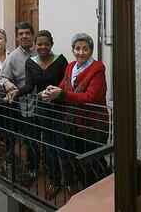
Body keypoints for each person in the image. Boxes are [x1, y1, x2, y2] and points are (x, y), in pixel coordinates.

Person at [42, 33, 110, 198]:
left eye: (85, 48)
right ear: (73, 50)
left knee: (94, 160)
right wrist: (50, 91)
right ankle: (90, 192)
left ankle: (103, 194)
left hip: (92, 124)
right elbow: (63, 85)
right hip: (72, 123)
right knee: (77, 159)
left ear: (91, 50)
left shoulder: (97, 68)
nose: (81, 52)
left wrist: (62, 95)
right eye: (77, 48)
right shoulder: (71, 66)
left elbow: (90, 97)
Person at [6, 30, 68, 197]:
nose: (42, 47)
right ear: (36, 45)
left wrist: (58, 92)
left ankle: (68, 180)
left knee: (63, 144)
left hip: (60, 107)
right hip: (42, 108)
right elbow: (29, 86)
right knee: (48, 145)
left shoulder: (61, 60)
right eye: (39, 44)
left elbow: (67, 84)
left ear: (51, 44)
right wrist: (16, 92)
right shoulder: (30, 63)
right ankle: (55, 181)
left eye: (46, 44)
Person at [0, 22, 39, 177]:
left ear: (33, 35)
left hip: (46, 105)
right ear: (16, 37)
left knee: (48, 140)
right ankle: (33, 167)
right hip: (27, 107)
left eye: (27, 33)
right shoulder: (13, 57)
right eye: (20, 34)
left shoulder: (41, 50)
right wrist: (7, 84)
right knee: (31, 140)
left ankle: (50, 167)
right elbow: (0, 78)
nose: (24, 36)